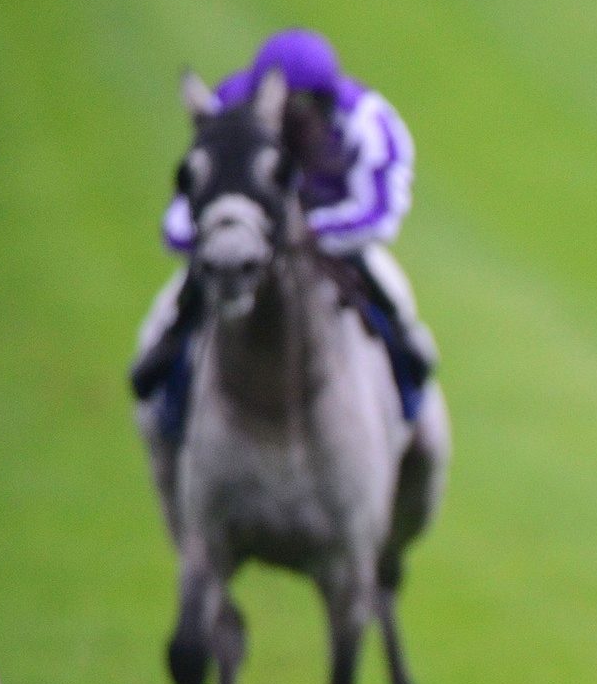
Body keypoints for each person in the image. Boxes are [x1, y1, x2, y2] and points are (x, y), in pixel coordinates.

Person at [131, 28, 434, 435]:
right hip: (242, 236)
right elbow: (184, 209)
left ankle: (409, 389)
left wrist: (304, 234)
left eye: (302, 108)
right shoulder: (226, 108)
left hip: (336, 239)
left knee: (393, 293)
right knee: (170, 309)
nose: (291, 120)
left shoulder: (369, 121)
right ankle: (168, 402)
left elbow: (381, 212)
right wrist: (219, 235)